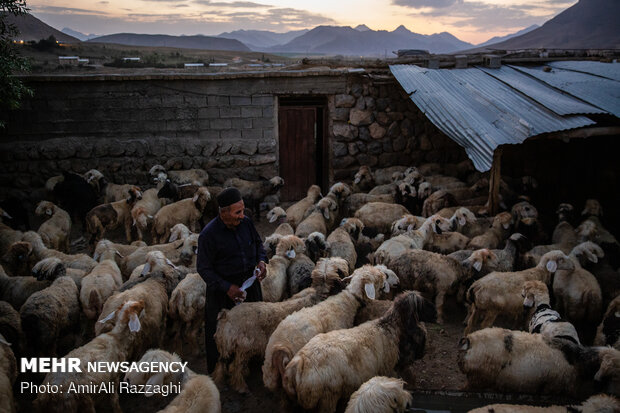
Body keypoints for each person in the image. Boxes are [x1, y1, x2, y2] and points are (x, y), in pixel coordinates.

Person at [197, 187, 268, 373]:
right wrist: (227, 287)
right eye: (238, 212)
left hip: (249, 287)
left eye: (243, 210)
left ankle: (250, 366)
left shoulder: (246, 223)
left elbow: (259, 244)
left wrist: (261, 261)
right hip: (223, 293)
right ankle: (221, 372)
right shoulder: (208, 235)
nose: (242, 215)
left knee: (253, 327)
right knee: (220, 334)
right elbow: (203, 268)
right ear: (224, 212)